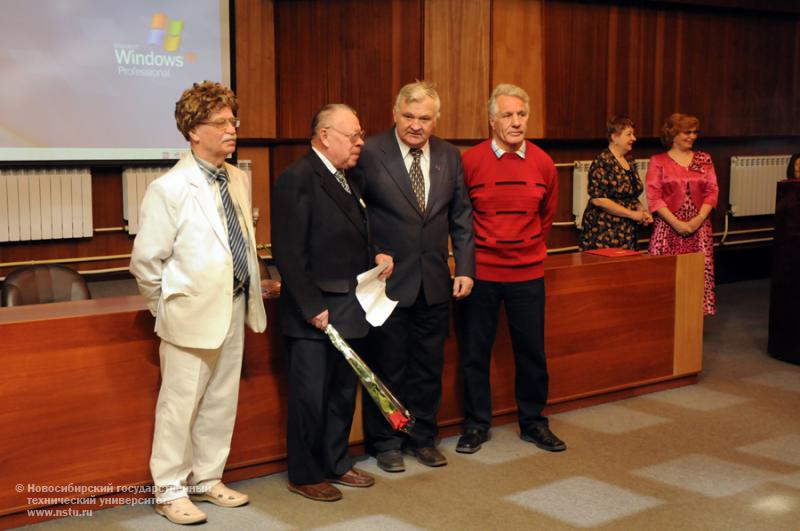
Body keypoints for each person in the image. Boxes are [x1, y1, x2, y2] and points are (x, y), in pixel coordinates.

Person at [130, 81, 267, 525]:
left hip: (233, 306)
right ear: (193, 131)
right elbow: (146, 263)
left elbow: (241, 241)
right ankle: (168, 488)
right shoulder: (168, 188)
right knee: (179, 405)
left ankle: (207, 478)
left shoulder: (239, 178)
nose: (232, 130)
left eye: (233, 121)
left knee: (221, 399)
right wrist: (166, 306)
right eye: (222, 123)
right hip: (189, 312)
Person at [271, 104, 393, 502]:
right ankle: (305, 473)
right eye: (352, 135)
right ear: (324, 136)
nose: (360, 142)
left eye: (360, 134)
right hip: (315, 312)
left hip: (349, 306)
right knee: (310, 395)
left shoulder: (347, 178)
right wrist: (310, 305)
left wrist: (377, 256)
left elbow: (354, 233)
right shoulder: (298, 178)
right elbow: (288, 251)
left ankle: (336, 461)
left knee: (342, 392)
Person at [354, 80, 475, 472]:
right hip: (386, 282)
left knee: (428, 366)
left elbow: (461, 217)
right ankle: (385, 441)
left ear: (436, 120)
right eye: (409, 116)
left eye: (425, 118)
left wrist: (466, 268)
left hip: (436, 282)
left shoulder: (449, 156)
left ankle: (422, 437)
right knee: (387, 366)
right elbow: (354, 214)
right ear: (394, 113)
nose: (416, 125)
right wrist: (371, 252)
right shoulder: (371, 152)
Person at [456, 83, 565, 455]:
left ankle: (534, 423)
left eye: (521, 115)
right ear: (491, 121)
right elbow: (460, 218)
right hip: (480, 274)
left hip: (527, 275)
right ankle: (475, 425)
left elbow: (546, 216)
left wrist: (527, 248)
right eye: (507, 115)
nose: (516, 122)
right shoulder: (469, 162)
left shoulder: (544, 163)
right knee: (475, 353)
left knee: (532, 352)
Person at [646, 113, 719, 315]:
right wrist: (676, 223)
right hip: (667, 228)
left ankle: (691, 327)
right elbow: (654, 196)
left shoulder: (704, 159)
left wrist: (697, 220)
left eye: (695, 132)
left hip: (700, 227)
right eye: (687, 132)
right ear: (673, 133)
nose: (692, 136)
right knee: (665, 276)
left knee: (695, 277)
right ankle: (662, 323)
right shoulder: (658, 161)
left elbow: (712, 191)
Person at [579, 116, 652, 250]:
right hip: (605, 230)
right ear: (614, 137)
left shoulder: (629, 160)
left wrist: (642, 211)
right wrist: (631, 214)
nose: (634, 138)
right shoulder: (602, 161)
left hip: (627, 230)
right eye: (629, 134)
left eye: (633, 134)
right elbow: (598, 199)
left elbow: (631, 195)